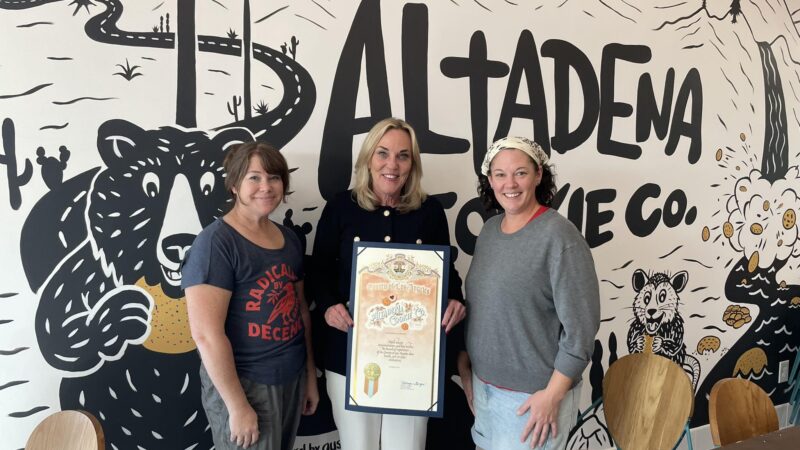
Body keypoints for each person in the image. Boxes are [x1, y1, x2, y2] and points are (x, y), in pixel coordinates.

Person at [309, 118, 467, 450]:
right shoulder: (340, 208)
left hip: (414, 357)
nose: (391, 164)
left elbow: (446, 272)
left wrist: (454, 299)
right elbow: (319, 271)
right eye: (383, 153)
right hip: (349, 352)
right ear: (369, 158)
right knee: (359, 446)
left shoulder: (430, 212)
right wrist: (327, 307)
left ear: (413, 164)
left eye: (402, 156)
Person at [460, 137, 600, 450]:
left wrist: (553, 395)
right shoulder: (489, 232)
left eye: (520, 173)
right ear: (490, 180)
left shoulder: (560, 238)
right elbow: (483, 308)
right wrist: (468, 370)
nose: (510, 183)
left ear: (538, 175)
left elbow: (581, 331)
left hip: (532, 400)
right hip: (485, 391)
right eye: (500, 174)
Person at [182, 142, 319, 450]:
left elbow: (300, 312)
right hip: (246, 386)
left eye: (274, 177)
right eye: (254, 177)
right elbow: (206, 335)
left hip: (290, 377)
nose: (266, 187)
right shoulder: (215, 244)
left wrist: (309, 375)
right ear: (234, 184)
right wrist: (237, 406)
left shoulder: (290, 239)